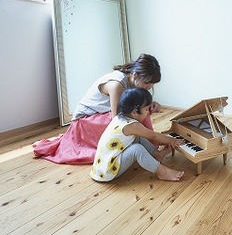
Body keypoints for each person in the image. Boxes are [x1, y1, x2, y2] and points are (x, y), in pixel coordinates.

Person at [33, 53, 161, 164]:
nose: (148, 87)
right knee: (135, 114)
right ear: (135, 75)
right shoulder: (117, 84)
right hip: (84, 121)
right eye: (146, 83)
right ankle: (145, 144)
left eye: (151, 85)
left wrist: (149, 105)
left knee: (142, 110)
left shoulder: (132, 81)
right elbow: (117, 121)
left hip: (100, 115)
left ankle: (149, 145)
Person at [90, 88, 184, 182]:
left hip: (102, 167)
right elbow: (153, 136)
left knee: (137, 137)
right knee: (137, 149)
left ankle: (157, 155)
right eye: (146, 109)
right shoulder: (132, 126)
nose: (148, 112)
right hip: (108, 171)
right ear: (134, 112)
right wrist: (172, 140)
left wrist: (165, 140)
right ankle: (162, 172)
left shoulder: (120, 117)